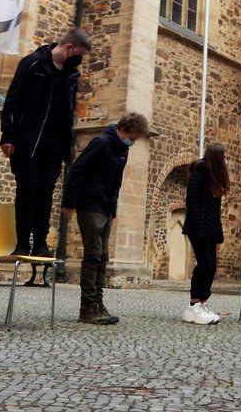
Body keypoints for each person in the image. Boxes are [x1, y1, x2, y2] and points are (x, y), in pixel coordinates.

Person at [0, 27, 92, 257]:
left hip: (55, 143)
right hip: (29, 140)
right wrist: (8, 135)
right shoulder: (33, 63)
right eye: (79, 53)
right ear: (69, 48)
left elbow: (69, 110)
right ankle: (22, 242)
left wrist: (67, 145)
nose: (79, 59)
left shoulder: (71, 74)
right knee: (27, 190)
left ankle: (40, 242)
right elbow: (13, 99)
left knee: (46, 192)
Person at [62, 111, 150, 325]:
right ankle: (88, 308)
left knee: (102, 257)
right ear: (123, 130)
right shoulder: (101, 142)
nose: (134, 141)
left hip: (104, 208)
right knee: (92, 256)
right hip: (89, 204)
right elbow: (76, 170)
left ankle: (98, 304)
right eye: (133, 136)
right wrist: (70, 202)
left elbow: (116, 182)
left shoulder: (122, 150)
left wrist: (113, 210)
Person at [181, 143, 230, 325]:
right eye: (224, 156)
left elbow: (214, 209)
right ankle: (193, 307)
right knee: (204, 264)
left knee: (211, 266)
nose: (226, 160)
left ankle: (202, 303)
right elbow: (192, 200)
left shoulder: (214, 177)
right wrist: (199, 227)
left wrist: (218, 233)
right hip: (197, 228)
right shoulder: (200, 172)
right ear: (217, 157)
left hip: (210, 228)